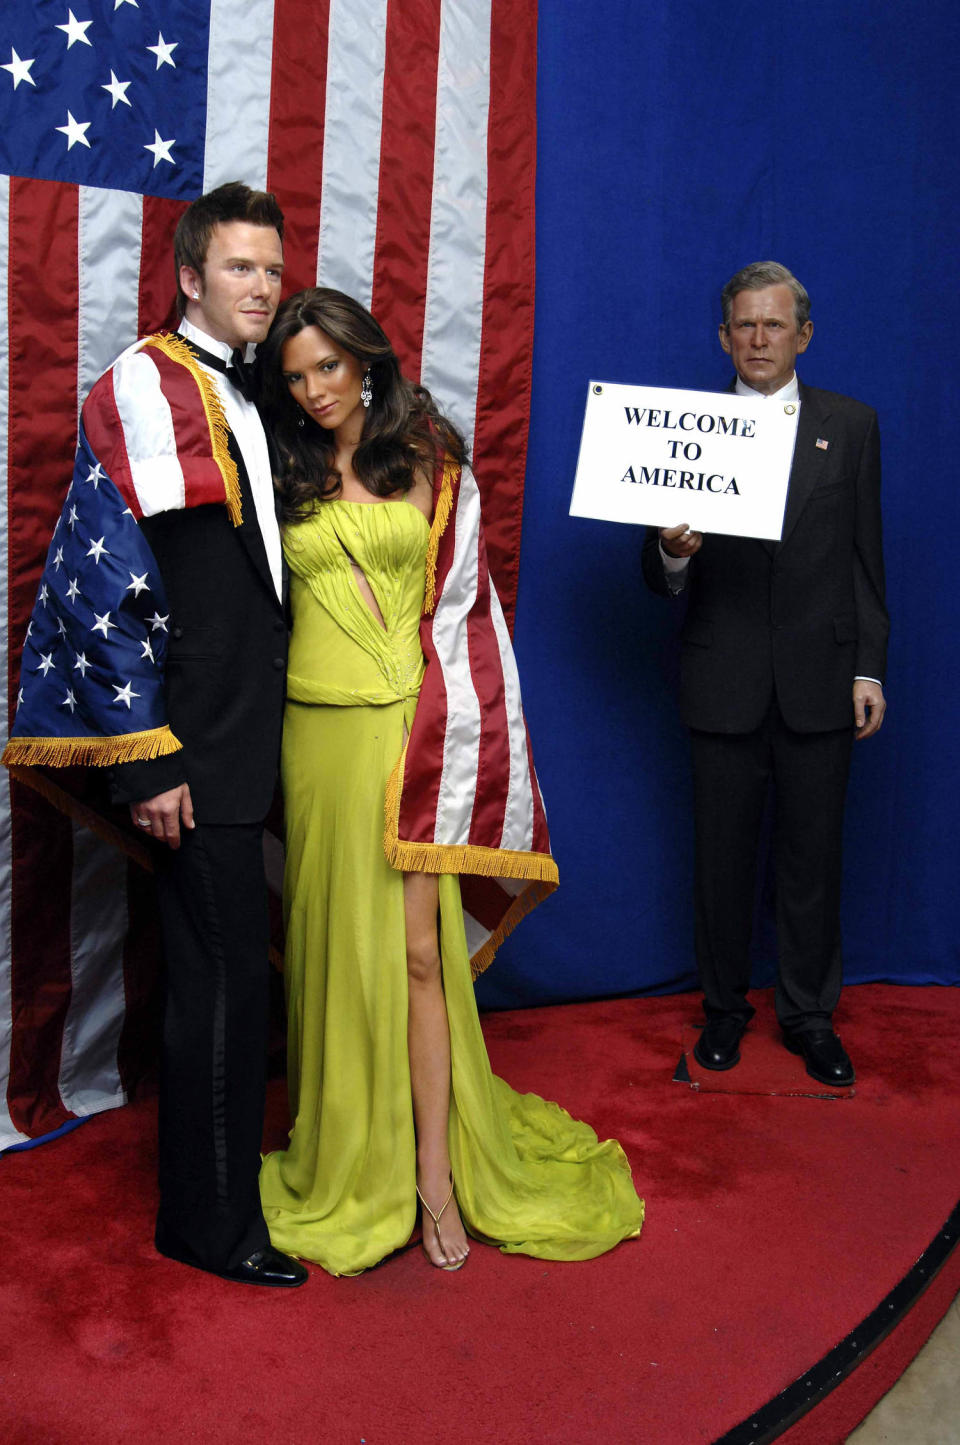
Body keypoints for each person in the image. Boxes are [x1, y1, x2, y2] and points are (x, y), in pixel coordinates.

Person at [255, 288, 644, 1274]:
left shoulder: (427, 454)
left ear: (365, 359)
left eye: (329, 367)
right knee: (328, 952)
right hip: (315, 737)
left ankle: (434, 1171)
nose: (315, 390)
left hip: (411, 735)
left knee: (421, 957)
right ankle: (345, 1155)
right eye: (297, 374)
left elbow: (465, 614)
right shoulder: (275, 460)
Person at [4, 183, 306, 1287]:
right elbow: (106, 586)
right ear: (188, 276)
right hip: (197, 747)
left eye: (272, 268)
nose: (263, 287)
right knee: (219, 989)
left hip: (259, 736)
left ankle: (230, 1189)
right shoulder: (147, 383)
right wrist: (145, 753)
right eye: (239, 268)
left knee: (244, 978)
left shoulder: (259, 389)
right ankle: (210, 1225)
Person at [642, 261, 888, 1087]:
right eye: (744, 325)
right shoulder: (683, 425)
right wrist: (672, 553)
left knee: (813, 860)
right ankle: (722, 1011)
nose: (758, 339)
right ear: (723, 337)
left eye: (774, 325)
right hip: (724, 680)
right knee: (721, 862)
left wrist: (870, 670)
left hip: (823, 681)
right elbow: (653, 567)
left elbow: (865, 563)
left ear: (803, 335)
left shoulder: (850, 427)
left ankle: (810, 1015)